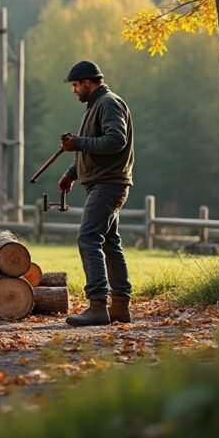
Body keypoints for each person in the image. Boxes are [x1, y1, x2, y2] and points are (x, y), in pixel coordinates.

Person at [57, 61, 135, 326]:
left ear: (89, 82)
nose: (75, 90)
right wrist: (71, 173)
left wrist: (77, 143)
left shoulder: (108, 104)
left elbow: (116, 140)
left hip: (108, 185)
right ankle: (120, 307)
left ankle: (98, 306)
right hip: (105, 182)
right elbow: (94, 147)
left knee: (88, 238)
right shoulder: (97, 106)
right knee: (109, 242)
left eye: (76, 85)